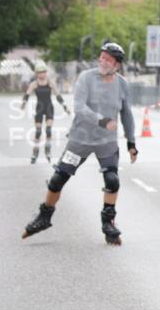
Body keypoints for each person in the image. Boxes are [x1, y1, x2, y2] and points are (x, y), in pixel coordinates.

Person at [22, 42, 139, 245]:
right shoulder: (86, 78)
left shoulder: (122, 85)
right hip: (80, 139)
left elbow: (126, 114)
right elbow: (79, 107)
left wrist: (131, 142)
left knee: (112, 180)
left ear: (117, 65)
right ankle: (44, 217)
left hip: (106, 142)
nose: (102, 61)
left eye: (108, 60)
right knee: (58, 179)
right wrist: (102, 120)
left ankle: (108, 223)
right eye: (101, 57)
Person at [21, 61, 70, 163]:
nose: (42, 74)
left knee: (48, 130)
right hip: (39, 108)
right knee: (38, 132)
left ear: (46, 73)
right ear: (36, 74)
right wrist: (24, 103)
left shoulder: (50, 82)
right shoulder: (34, 84)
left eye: (44, 72)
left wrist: (65, 106)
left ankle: (48, 150)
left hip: (48, 108)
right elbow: (27, 94)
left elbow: (57, 95)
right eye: (40, 72)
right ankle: (35, 152)